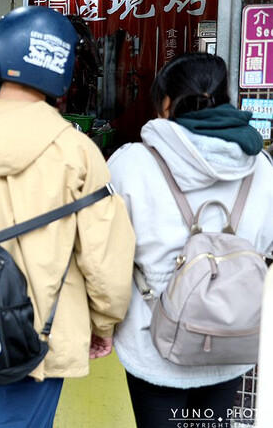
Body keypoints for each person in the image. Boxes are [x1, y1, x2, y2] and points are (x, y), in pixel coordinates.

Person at [0, 5, 136, 427]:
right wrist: (103, 322)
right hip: (39, 334)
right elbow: (105, 258)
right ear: (62, 68)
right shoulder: (77, 152)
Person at [108, 52, 273, 427]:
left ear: (166, 103)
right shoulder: (262, 168)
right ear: (224, 98)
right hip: (231, 338)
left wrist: (101, 326)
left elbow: (105, 257)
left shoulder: (131, 163)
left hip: (154, 345)